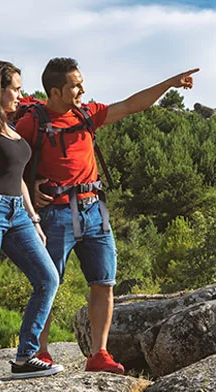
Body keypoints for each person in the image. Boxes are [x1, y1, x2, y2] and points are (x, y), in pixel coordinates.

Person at [16, 57, 199, 374]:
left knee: (104, 282)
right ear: (55, 91)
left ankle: (98, 354)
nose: (82, 90)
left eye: (81, 83)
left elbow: (130, 106)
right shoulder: (32, 123)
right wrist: (29, 187)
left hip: (94, 210)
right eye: (76, 85)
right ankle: (40, 353)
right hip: (54, 214)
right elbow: (8, 162)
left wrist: (169, 84)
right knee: (46, 285)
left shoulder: (87, 114)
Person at [0, 60, 63, 392]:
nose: (20, 94)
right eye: (15, 89)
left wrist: (33, 219)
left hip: (18, 214)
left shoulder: (11, 128)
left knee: (48, 279)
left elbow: (17, 179)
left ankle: (25, 358)